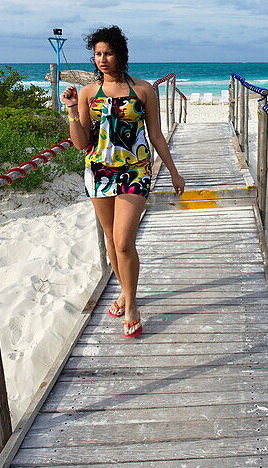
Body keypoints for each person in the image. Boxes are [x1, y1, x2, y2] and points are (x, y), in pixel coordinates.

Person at [62, 26, 185, 338]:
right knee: (109, 240)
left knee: (123, 242)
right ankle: (125, 292)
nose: (102, 59)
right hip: (98, 172)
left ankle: (131, 305)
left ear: (121, 55)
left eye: (108, 53)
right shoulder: (89, 93)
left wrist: (172, 170)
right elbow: (80, 143)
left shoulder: (143, 91)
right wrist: (72, 110)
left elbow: (156, 134)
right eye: (98, 54)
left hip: (135, 172)